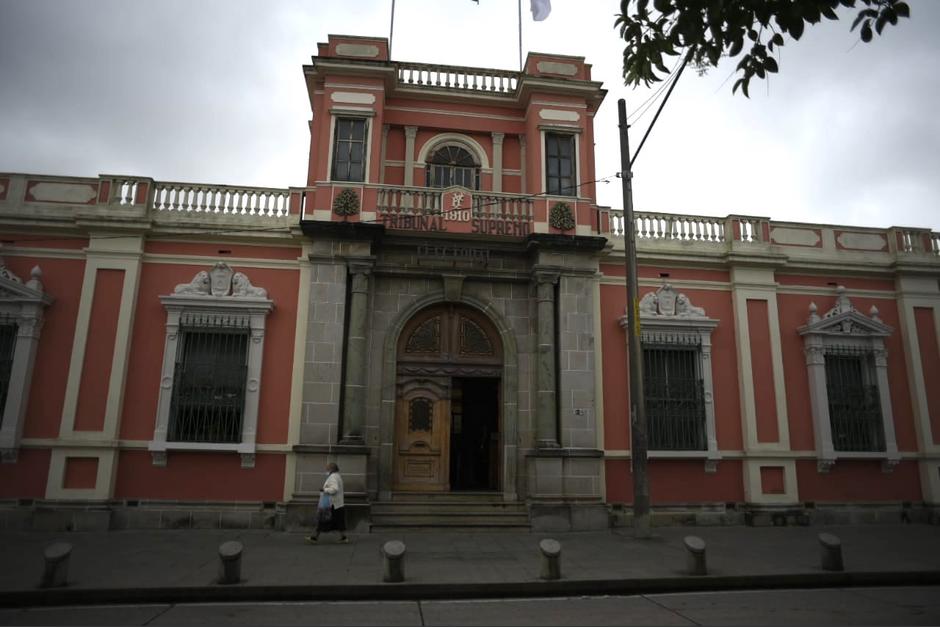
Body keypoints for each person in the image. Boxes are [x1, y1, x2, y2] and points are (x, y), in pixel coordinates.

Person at [306, 462, 347, 544]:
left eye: (327, 468)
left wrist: (324, 490)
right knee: (338, 522)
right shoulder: (337, 476)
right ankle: (344, 537)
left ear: (331, 469)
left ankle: (314, 538)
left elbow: (334, 489)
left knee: (322, 520)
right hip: (337, 504)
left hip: (332, 504)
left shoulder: (332, 477)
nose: (326, 470)